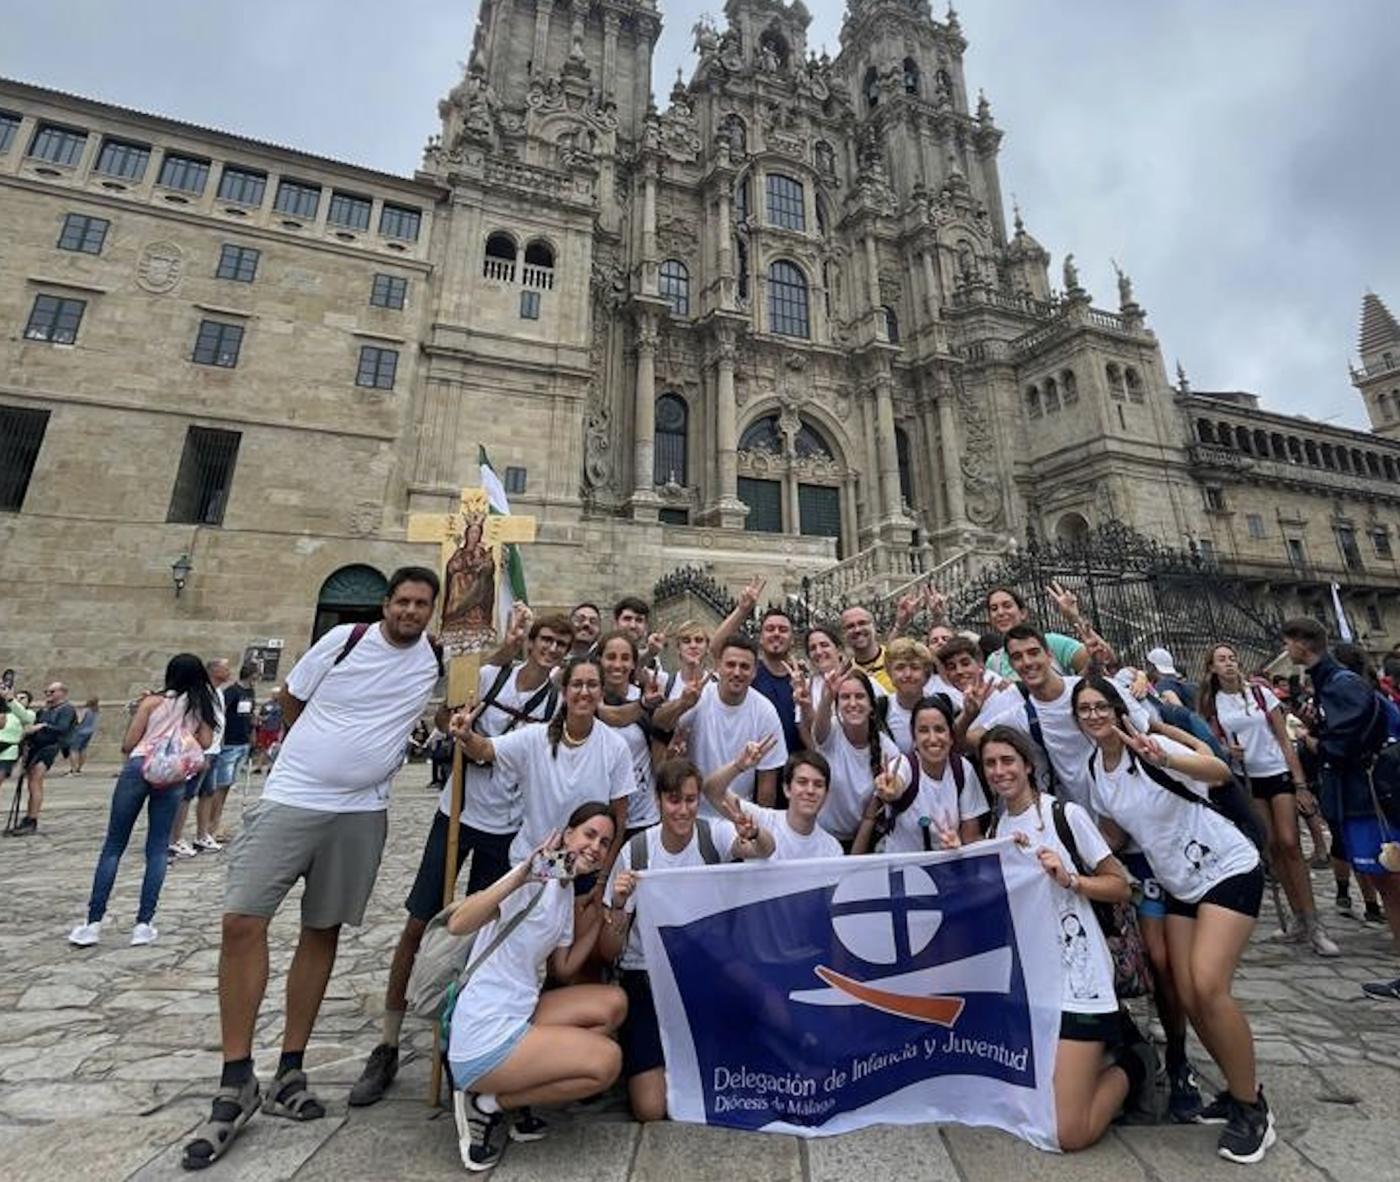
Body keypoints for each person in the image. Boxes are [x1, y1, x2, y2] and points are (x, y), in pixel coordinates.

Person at [181, 566, 443, 1171]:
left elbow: (490, 658)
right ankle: (236, 1075)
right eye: (402, 601)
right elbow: (290, 699)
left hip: (362, 813)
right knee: (242, 922)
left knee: (320, 932)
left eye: (421, 604)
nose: (410, 611)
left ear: (431, 610)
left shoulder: (432, 658)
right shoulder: (343, 639)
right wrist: (323, 756)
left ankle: (290, 1070)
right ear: (386, 603)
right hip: (292, 798)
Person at [349, 614, 574, 1109]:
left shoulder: (558, 704)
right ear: (531, 642)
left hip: (507, 828)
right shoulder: (492, 676)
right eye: (546, 640)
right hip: (456, 813)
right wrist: (499, 654)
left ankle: (463, 1039)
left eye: (561, 643)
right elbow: (448, 710)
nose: (552, 648)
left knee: (477, 938)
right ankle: (387, 1041)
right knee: (418, 923)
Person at [1072, 677, 1273, 1164]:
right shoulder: (1097, 769)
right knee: (1184, 993)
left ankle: (1252, 1108)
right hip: (1180, 883)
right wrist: (1071, 855)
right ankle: (1235, 1086)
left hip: (1226, 867)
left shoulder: (1148, 746)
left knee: (1207, 985)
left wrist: (1165, 758)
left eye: (1101, 706)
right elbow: (1116, 831)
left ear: (1117, 709)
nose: (1094, 715)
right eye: (1085, 709)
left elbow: (1218, 770)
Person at [975, 726, 1147, 1151]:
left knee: (1068, 1133)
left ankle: (1135, 1062)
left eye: (1007, 761)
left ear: (1028, 764)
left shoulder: (1063, 817)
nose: (999, 771)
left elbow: (1120, 885)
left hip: (1078, 981)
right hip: (1032, 986)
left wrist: (1071, 880)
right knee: (1023, 1108)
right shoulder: (996, 827)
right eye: (991, 764)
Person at [447, 804, 625, 1172]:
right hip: (485, 1030)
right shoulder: (534, 875)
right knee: (606, 1063)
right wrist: (522, 876)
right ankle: (484, 1104)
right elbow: (459, 923)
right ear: (567, 834)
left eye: (605, 842)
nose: (595, 847)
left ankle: (512, 1092)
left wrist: (600, 913)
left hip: (520, 1012)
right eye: (589, 835)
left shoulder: (562, 888)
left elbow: (563, 967)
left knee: (613, 1003)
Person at [601, 759, 773, 1123]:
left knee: (759, 1008)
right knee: (650, 1110)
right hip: (646, 972)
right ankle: (656, 1057)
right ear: (660, 801)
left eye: (691, 800)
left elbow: (764, 852)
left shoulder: (713, 835)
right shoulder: (637, 851)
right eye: (674, 800)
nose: (683, 810)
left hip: (704, 969)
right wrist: (617, 904)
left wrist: (755, 834)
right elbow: (610, 949)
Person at [1283, 618, 1400, 1001]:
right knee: (1386, 879)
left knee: (1391, 879)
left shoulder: (1340, 682)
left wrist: (1317, 743)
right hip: (1358, 794)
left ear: (1302, 645)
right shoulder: (1330, 681)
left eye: (1289, 643)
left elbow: (1350, 736)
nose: (1287, 650)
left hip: (1366, 795)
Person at [68, 655, 219, 948]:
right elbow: (204, 742)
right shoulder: (200, 706)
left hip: (140, 766)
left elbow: (129, 742)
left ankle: (93, 923)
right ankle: (143, 924)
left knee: (114, 845)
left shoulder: (152, 703)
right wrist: (181, 735)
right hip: (172, 774)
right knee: (158, 848)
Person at [1198, 644, 1339, 957]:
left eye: (1232, 658)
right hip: (1247, 777)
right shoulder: (1212, 703)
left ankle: (1314, 921)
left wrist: (1300, 783)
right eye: (1222, 660)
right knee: (1272, 844)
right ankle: (1298, 917)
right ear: (1211, 668)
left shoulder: (1261, 695)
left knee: (1290, 842)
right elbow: (1210, 742)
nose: (1230, 663)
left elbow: (1283, 739)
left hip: (1276, 771)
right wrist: (1225, 752)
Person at [451, 653, 633, 874]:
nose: (584, 692)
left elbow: (619, 818)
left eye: (592, 685)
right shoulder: (535, 738)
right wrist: (467, 735)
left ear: (602, 693)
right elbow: (487, 749)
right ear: (564, 693)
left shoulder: (616, 746)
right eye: (577, 684)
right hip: (534, 864)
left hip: (584, 867)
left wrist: (603, 879)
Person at [966, 625, 1148, 812]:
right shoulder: (1021, 715)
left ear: (1049, 655)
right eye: (1017, 657)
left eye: (1033, 652)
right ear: (1011, 665)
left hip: (1137, 800)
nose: (1027, 662)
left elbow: (1147, 728)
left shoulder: (1096, 689)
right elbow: (970, 739)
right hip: (1086, 814)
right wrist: (970, 713)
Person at [653, 635, 787, 812]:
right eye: (731, 665)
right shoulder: (699, 697)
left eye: (745, 667)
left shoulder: (765, 711)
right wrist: (682, 704)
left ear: (755, 672)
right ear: (718, 667)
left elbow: (767, 787)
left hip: (738, 815)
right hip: (694, 813)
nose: (737, 672)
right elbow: (659, 722)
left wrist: (756, 831)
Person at [854, 695, 986, 854]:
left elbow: (970, 837)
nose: (932, 739)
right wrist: (891, 789)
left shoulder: (963, 769)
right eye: (923, 730)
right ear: (914, 737)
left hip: (945, 869)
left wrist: (957, 848)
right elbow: (896, 785)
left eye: (939, 729)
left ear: (951, 737)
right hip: (902, 871)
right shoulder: (903, 765)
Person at [803, 663, 903, 846]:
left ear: (872, 706)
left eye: (860, 697)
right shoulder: (831, 732)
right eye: (845, 697)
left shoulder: (888, 750)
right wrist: (828, 696)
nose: (853, 703)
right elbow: (817, 731)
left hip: (866, 839)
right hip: (823, 837)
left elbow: (874, 814)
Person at [712, 578, 804, 760]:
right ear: (761, 638)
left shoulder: (802, 680)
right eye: (770, 629)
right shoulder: (748, 673)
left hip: (793, 771)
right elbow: (717, 648)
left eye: (783, 629)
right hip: (753, 765)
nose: (776, 633)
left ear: (792, 639)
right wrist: (742, 610)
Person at [704, 747, 844, 860]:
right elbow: (712, 791)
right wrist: (738, 766)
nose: (810, 790)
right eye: (802, 782)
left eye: (818, 785)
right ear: (787, 789)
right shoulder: (761, 819)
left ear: (826, 794)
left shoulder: (832, 849)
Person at [596, 630, 661, 839]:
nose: (617, 665)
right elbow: (613, 716)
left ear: (634, 664)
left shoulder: (648, 698)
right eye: (611, 657)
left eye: (625, 658)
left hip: (643, 816)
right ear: (599, 660)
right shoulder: (583, 698)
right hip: (595, 817)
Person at [170, 658, 231, 857]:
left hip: (213, 750)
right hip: (200, 751)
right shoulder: (201, 692)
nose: (229, 671)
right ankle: (175, 838)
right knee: (187, 795)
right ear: (214, 670)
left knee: (208, 793)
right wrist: (199, 752)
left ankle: (202, 835)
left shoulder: (219, 692)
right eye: (225, 667)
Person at [982, 584, 1104, 682]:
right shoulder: (994, 661)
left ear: (1023, 613)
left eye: (1007, 606)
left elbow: (1102, 660)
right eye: (994, 609)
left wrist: (1074, 618)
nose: (1000, 612)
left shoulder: (1052, 642)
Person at [10, 680, 77, 834]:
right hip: (36, 747)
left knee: (35, 781)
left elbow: (62, 728)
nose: (48, 695)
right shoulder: (45, 710)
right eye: (46, 692)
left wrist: (43, 726)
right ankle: (29, 817)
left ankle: (32, 819)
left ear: (62, 692)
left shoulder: (66, 709)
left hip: (49, 748)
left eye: (52, 692)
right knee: (32, 783)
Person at [210, 664, 257, 843]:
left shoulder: (250, 693)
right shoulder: (231, 691)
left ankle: (217, 822)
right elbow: (221, 715)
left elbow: (250, 713)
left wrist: (253, 730)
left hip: (243, 741)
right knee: (220, 785)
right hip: (229, 742)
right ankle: (212, 825)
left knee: (227, 785)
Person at [884, 638, 936, 754]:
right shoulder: (882, 710)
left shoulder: (940, 707)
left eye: (915, 667)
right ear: (889, 673)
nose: (907, 674)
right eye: (900, 667)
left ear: (926, 674)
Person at [1, 685, 37, 828]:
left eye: (23, 698)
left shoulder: (27, 714)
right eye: (17, 697)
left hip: (8, 751)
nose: (19, 699)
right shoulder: (6, 712)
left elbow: (26, 719)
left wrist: (10, 699)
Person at [840, 606, 892, 692]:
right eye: (850, 626)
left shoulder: (895, 659)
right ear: (844, 634)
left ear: (873, 626)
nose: (857, 630)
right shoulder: (846, 674)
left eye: (862, 623)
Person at [66, 697, 101, 775]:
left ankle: (73, 769)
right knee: (83, 749)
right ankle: (79, 768)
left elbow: (79, 720)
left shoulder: (85, 710)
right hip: (89, 732)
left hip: (80, 732)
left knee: (73, 750)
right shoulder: (95, 711)